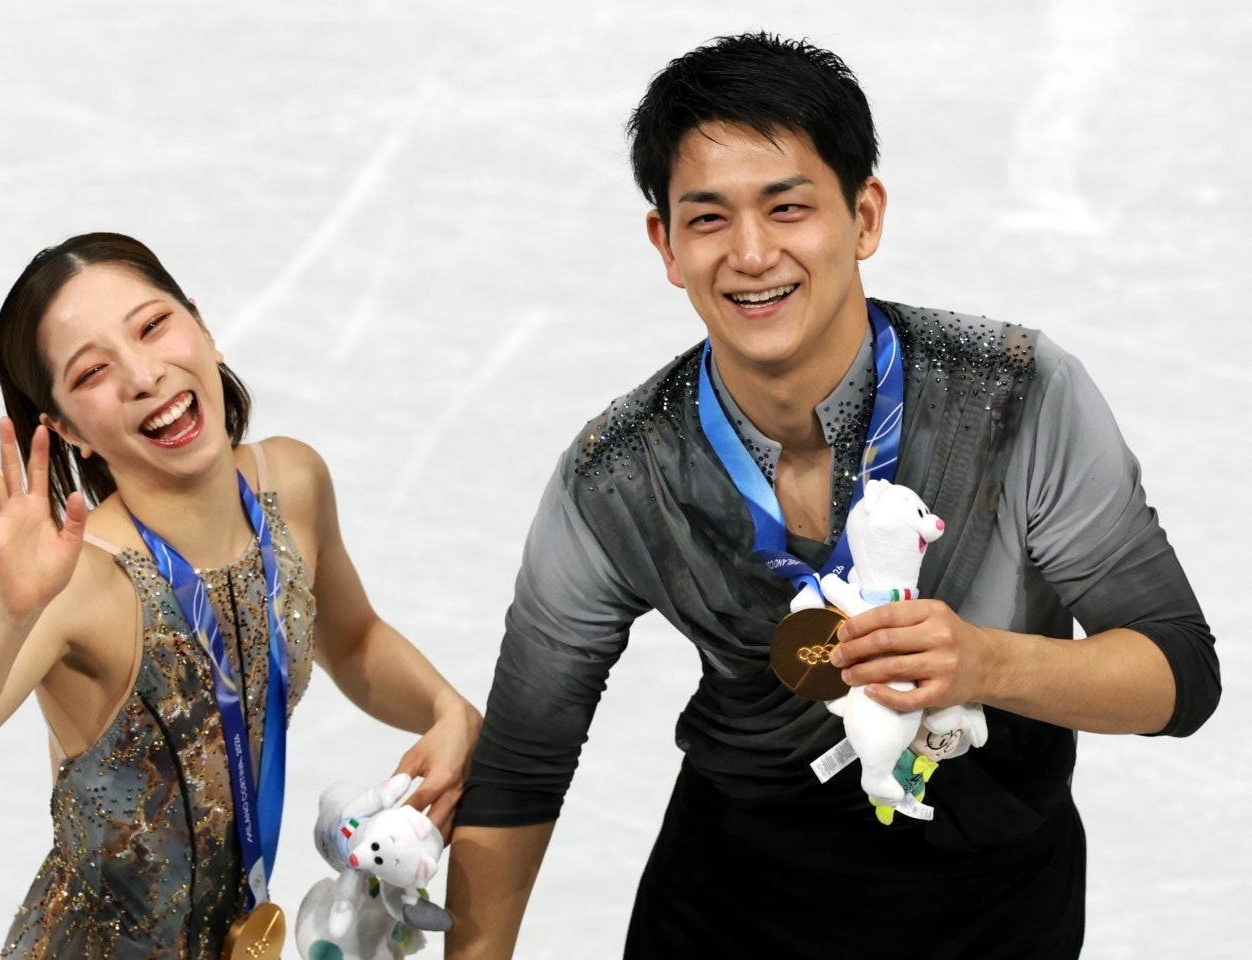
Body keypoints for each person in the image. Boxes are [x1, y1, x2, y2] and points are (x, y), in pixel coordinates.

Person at [444, 33, 1220, 959]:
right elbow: (523, 766)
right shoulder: (621, 471)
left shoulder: (1017, 396)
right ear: (665, 244)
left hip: (995, 913)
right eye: (707, 219)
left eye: (789, 207)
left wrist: (985, 664)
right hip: (728, 910)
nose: (753, 253)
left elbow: (1180, 676)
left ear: (865, 216)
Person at [0, 233, 481, 958]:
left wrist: (447, 708)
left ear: (204, 329)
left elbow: (354, 639)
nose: (143, 373)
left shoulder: (291, 483)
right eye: (92, 373)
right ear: (68, 430)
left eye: (152, 326)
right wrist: (11, 613)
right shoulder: (83, 577)